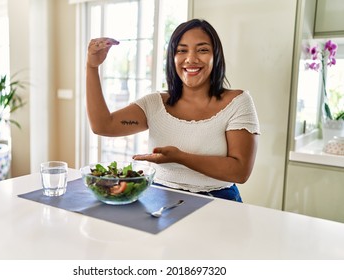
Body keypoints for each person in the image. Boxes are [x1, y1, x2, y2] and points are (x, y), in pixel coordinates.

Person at [86, 19, 260, 202]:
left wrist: (180, 157)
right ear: (172, 57)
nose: (191, 59)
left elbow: (240, 172)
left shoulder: (238, 102)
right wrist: (92, 67)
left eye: (202, 50)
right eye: (182, 50)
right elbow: (102, 125)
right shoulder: (154, 103)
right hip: (159, 197)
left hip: (218, 199)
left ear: (216, 56)